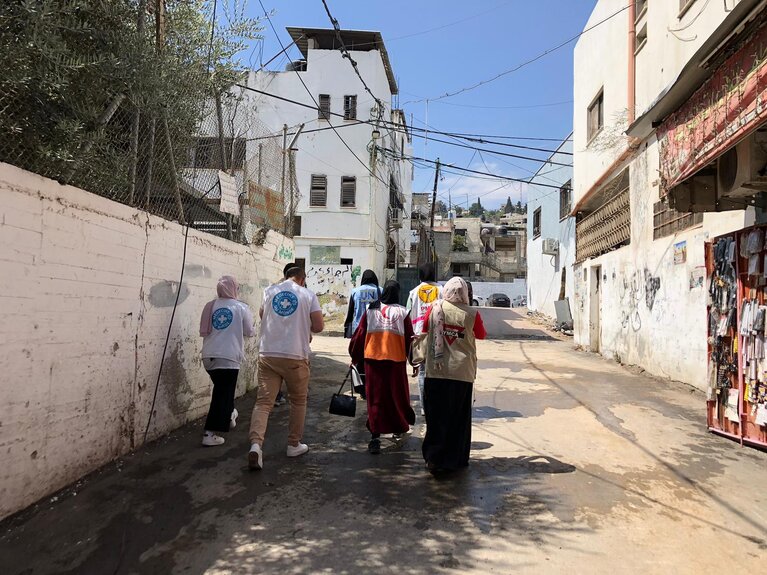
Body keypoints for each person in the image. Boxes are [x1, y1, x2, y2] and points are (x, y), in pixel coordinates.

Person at [248, 266, 323, 469]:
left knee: (263, 403)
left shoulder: (269, 291)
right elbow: (319, 326)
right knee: (298, 401)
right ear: (302, 279)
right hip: (295, 356)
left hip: (268, 354)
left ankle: (255, 446)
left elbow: (263, 316)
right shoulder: (307, 294)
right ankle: (293, 444)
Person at [420, 277, 486, 474]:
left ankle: (434, 458)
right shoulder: (472, 313)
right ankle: (455, 459)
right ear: (465, 293)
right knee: (459, 418)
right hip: (462, 373)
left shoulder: (434, 309)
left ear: (446, 291)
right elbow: (481, 335)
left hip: (436, 371)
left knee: (436, 417)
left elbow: (424, 329)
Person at [349, 280, 415, 454]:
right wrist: (414, 361)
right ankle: (398, 426)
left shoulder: (371, 310)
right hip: (396, 362)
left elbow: (359, 335)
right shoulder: (403, 312)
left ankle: (375, 436)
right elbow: (410, 339)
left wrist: (355, 357)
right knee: (396, 396)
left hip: (373, 362)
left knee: (376, 398)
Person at [199, 275, 255, 446]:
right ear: (234, 289)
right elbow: (249, 331)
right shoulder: (241, 307)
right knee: (221, 394)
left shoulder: (210, 306)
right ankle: (209, 434)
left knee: (224, 390)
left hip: (208, 356)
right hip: (228, 357)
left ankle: (230, 413)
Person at [406, 263, 442, 415]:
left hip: (419, 335)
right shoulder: (442, 290)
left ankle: (423, 406)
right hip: (438, 335)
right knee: (438, 372)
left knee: (421, 372)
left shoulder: (413, 292)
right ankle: (436, 403)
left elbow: (407, 314)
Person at [273, 262, 298, 408]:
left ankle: (277, 395)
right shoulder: (301, 289)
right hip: (293, 337)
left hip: (275, 337)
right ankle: (296, 393)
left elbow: (263, 313)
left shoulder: (273, 288)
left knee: (276, 370)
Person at [344, 270, 382, 338]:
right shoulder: (380, 290)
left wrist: (348, 324)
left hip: (358, 327)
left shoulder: (355, 291)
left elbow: (351, 310)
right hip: (376, 327)